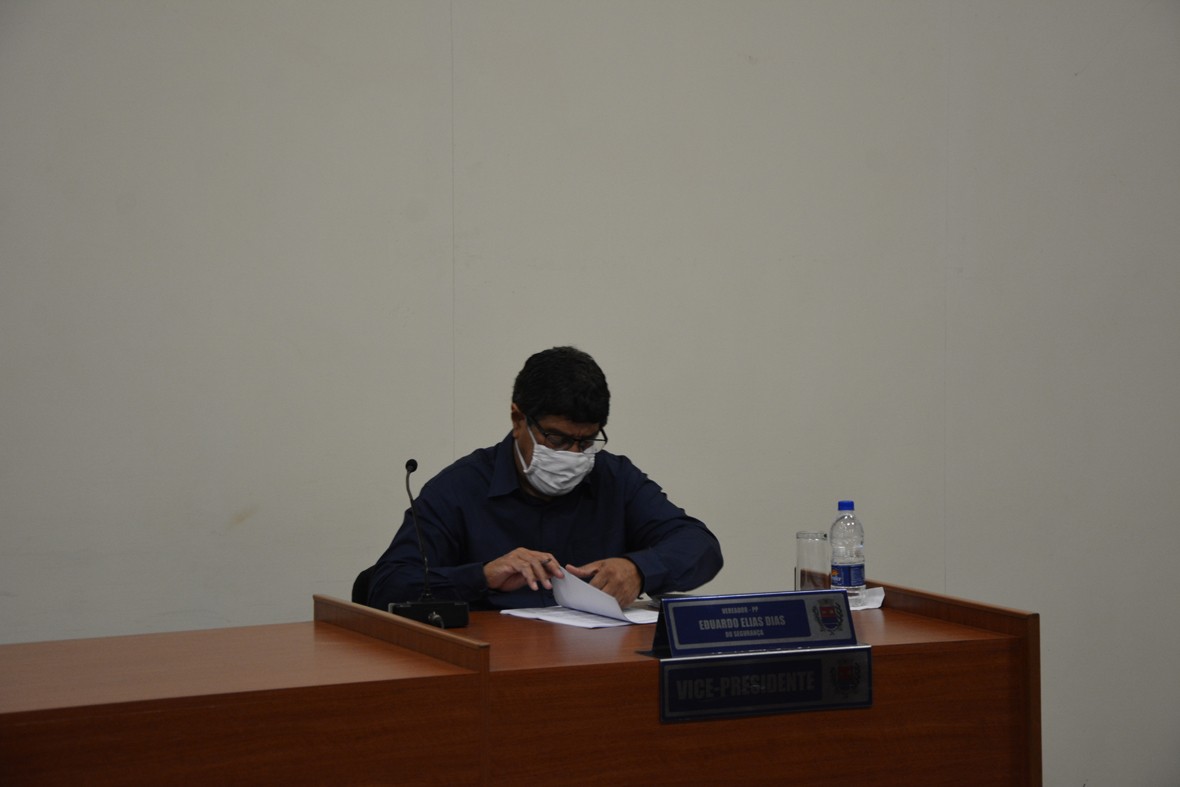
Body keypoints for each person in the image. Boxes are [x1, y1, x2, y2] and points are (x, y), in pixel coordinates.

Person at [367, 346, 723, 611]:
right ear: (518, 420)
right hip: (490, 666)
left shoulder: (614, 479)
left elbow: (700, 546)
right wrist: (482, 576)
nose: (573, 454)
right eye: (557, 439)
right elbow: (385, 585)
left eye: (586, 441)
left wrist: (638, 570)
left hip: (597, 661)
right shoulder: (459, 488)